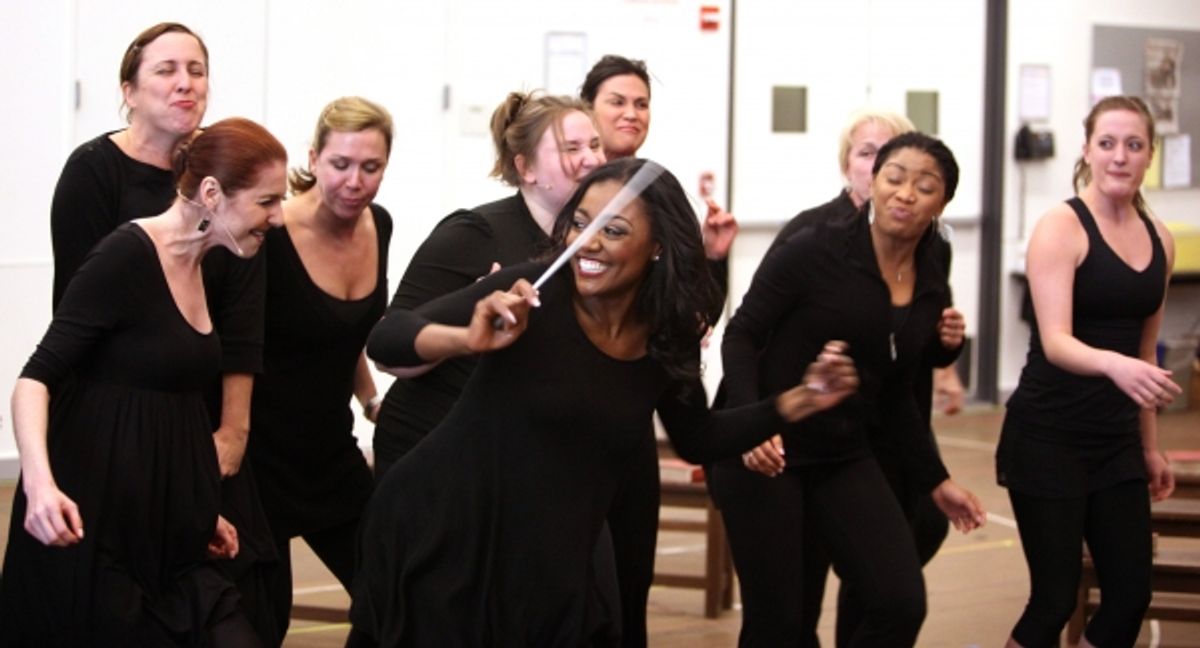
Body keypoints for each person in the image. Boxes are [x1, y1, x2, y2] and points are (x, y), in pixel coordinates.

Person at [345, 158, 858, 647]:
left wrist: (798, 401)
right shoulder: (533, 295)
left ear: (657, 245)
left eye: (613, 230)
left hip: (554, 558)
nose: (586, 244)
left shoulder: (665, 335)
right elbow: (388, 338)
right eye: (580, 224)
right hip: (452, 534)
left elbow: (697, 437)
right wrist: (465, 339)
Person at [0, 117, 287, 646]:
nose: (279, 217)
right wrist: (40, 485)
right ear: (210, 193)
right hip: (98, 527)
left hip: (168, 531)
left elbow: (170, 407)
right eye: (267, 201)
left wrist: (196, 512)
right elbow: (34, 380)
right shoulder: (126, 253)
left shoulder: (205, 264)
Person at [715, 132, 986, 646]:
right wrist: (751, 426)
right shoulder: (816, 246)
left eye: (924, 186)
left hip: (842, 450)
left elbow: (897, 388)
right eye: (895, 178)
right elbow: (742, 334)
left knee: (900, 602)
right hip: (767, 451)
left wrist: (937, 480)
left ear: (943, 202)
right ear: (874, 183)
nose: (905, 193)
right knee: (781, 625)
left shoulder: (930, 272)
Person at [997, 96, 1177, 648]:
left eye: (1133, 145)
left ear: (1150, 154)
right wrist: (1114, 366)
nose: (1119, 156)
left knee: (1129, 595)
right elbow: (1056, 342)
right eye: (1107, 144)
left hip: (1115, 443)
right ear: (1087, 151)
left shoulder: (1160, 237)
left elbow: (1146, 356)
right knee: (1053, 599)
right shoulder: (1061, 226)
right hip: (1048, 437)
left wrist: (1148, 447)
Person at [580, 53, 737, 645]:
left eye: (641, 102)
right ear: (588, 109)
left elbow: (690, 322)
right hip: (572, 429)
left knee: (629, 593)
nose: (631, 112)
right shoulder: (566, 196)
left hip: (635, 426)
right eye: (616, 101)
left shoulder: (659, 194)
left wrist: (713, 259)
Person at [371, 91, 603, 479]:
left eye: (595, 145)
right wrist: (469, 313)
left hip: (512, 449)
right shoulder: (472, 233)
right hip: (430, 444)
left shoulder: (584, 243)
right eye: (572, 147)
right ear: (526, 167)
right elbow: (387, 353)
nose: (593, 159)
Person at [246, 97, 394, 630]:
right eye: (340, 164)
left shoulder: (380, 224)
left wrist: (371, 398)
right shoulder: (271, 231)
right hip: (257, 462)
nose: (355, 181)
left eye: (371, 167)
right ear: (314, 158)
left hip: (329, 455)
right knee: (263, 621)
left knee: (391, 593)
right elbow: (235, 347)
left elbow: (342, 333)